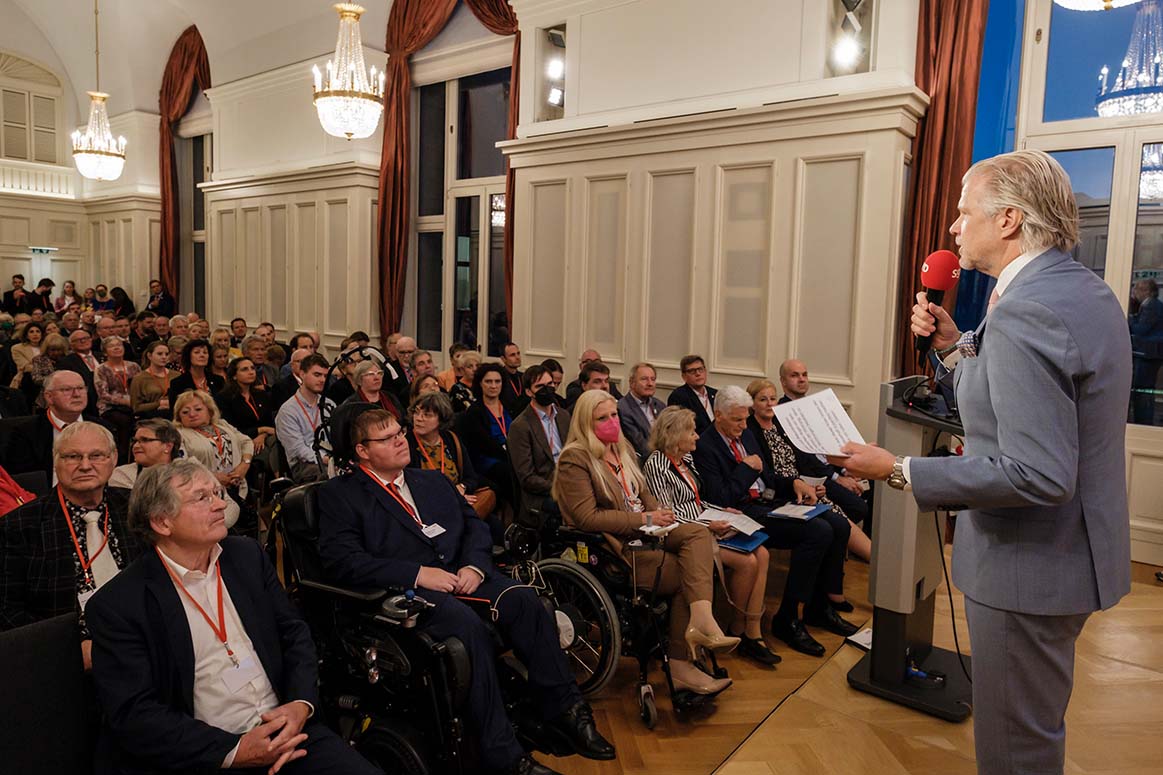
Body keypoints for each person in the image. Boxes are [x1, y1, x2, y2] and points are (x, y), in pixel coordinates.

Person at [837, 149, 1133, 775]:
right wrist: (952, 345)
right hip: (1071, 553)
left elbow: (1038, 473)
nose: (953, 226)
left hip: (1028, 565)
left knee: (1015, 752)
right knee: (1033, 731)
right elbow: (1014, 393)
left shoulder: (1027, 309)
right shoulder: (1080, 289)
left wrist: (898, 470)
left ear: (1007, 220)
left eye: (964, 210)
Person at [317, 409, 614, 775]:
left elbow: (475, 527)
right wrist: (417, 574)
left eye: (400, 432)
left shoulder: (432, 480)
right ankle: (505, 758)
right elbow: (344, 562)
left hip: (463, 575)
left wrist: (474, 566)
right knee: (466, 627)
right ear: (362, 451)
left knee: (525, 600)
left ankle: (566, 711)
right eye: (388, 438)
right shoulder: (340, 496)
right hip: (406, 593)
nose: (401, 441)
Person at [86, 460, 382, 775]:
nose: (220, 504)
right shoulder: (119, 604)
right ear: (162, 522)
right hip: (207, 756)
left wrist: (299, 705)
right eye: (202, 498)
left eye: (217, 493)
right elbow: (135, 714)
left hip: (289, 729)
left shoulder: (246, 556)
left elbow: (294, 633)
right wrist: (235, 751)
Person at [553, 389, 739, 695]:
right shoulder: (575, 459)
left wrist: (657, 513)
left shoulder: (621, 448)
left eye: (614, 415)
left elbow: (642, 492)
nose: (612, 422)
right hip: (617, 546)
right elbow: (587, 517)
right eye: (603, 418)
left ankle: (702, 620)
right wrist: (643, 519)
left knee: (698, 534)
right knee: (687, 573)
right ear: (586, 422)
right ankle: (680, 664)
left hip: (648, 531)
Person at [693, 385, 857, 657]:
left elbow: (768, 477)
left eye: (745, 418)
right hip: (743, 513)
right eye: (737, 419)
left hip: (768, 502)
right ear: (718, 415)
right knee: (817, 532)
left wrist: (794, 483)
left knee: (837, 525)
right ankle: (788, 618)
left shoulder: (745, 434)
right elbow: (721, 497)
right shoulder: (705, 446)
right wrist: (746, 469)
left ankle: (819, 606)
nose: (743, 425)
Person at [643, 406, 781, 665]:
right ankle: (735, 627)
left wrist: (721, 511)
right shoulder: (657, 464)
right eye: (691, 432)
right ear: (675, 435)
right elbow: (666, 513)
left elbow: (697, 500)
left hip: (704, 521)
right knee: (747, 561)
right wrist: (708, 524)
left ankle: (751, 630)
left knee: (762, 554)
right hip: (683, 532)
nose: (697, 436)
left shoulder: (686, 459)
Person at [0, 422, 143, 671]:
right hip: (64, 661)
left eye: (96, 455)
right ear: (56, 461)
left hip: (142, 641)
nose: (85, 465)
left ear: (113, 459)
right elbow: (6, 610)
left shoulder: (136, 508)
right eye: (73, 456)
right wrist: (68, 649)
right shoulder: (19, 526)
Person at [749, 378, 871, 566]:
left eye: (772, 399)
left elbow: (803, 459)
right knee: (832, 522)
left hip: (804, 483)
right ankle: (874, 560)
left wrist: (814, 482)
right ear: (752, 403)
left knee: (837, 515)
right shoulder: (751, 431)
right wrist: (800, 484)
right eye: (763, 399)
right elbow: (766, 474)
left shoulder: (780, 425)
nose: (769, 404)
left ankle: (869, 561)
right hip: (781, 491)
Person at [407, 390, 496, 520]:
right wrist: (452, 496)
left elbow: (471, 477)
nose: (419, 418)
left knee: (493, 524)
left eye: (427, 415)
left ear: (441, 419)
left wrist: (462, 487)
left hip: (458, 500)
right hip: (428, 508)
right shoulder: (406, 444)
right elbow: (412, 489)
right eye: (416, 412)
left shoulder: (451, 439)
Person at [0, 369, 99, 483]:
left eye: (80, 388)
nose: (76, 394)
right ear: (49, 397)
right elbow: (24, 481)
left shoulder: (102, 428)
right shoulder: (25, 433)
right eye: (67, 390)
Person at [174, 390, 253, 531]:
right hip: (208, 493)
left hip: (238, 485)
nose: (192, 414)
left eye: (198, 409)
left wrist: (244, 465)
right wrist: (213, 478)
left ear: (210, 411)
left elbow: (246, 441)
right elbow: (182, 464)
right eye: (185, 412)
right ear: (179, 417)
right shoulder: (179, 435)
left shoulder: (222, 424)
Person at [508, 366, 570, 522]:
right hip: (541, 494)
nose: (547, 390)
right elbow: (527, 477)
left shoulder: (563, 416)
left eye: (550, 384)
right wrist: (559, 487)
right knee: (577, 507)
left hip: (569, 479)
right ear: (529, 392)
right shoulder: (520, 427)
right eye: (540, 386)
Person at [458, 362, 514, 506]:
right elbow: (484, 444)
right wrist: (509, 455)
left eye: (497, 381)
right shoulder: (474, 412)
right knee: (508, 471)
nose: (493, 386)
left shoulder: (509, 406)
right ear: (480, 384)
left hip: (511, 453)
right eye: (488, 381)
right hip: (487, 459)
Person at [275, 353, 334, 482]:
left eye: (325, 376)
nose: (322, 380)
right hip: (304, 466)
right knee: (329, 476)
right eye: (317, 375)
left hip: (329, 459)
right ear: (302, 374)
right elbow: (298, 450)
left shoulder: (329, 404)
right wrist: (327, 460)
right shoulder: (288, 411)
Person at [217, 357, 277, 461]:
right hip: (240, 441)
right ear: (234, 376)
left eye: (252, 368)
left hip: (264, 438)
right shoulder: (224, 398)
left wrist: (263, 435)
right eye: (244, 369)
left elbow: (270, 423)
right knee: (266, 453)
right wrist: (262, 430)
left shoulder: (261, 394)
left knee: (279, 443)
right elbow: (230, 430)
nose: (251, 372)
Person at [95, 336, 141, 461]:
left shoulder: (134, 366)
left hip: (134, 405)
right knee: (125, 422)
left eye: (119, 345)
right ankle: (122, 457)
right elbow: (103, 394)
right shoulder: (101, 369)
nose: (116, 348)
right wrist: (124, 401)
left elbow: (141, 387)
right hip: (111, 408)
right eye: (112, 346)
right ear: (105, 352)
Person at [109, 418, 181, 489]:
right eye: (135, 441)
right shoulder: (123, 474)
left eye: (145, 440)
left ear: (168, 446)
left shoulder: (185, 472)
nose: (135, 446)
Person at [1129, 278, 1163, 424]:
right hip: (1149, 353)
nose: (1134, 293)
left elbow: (1141, 329)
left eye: (1136, 290)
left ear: (1146, 291)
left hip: (1147, 354)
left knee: (1143, 390)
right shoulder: (1151, 305)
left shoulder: (1151, 305)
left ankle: (1143, 422)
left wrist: (1129, 319)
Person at [618, 362, 666, 460]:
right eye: (644, 379)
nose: (650, 384)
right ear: (632, 383)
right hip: (644, 461)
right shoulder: (622, 409)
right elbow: (640, 445)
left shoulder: (660, 405)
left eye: (653, 379)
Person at [667, 354, 717, 433]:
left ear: (705, 371)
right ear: (684, 376)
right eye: (692, 371)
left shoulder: (715, 393)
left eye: (700, 369)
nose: (698, 374)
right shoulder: (678, 397)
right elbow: (680, 430)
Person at [167, 337, 224, 405]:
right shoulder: (178, 383)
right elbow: (175, 409)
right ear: (188, 356)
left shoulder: (218, 380)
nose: (202, 355)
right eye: (197, 352)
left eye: (205, 352)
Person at [130, 340, 173, 419]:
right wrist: (158, 404)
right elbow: (136, 407)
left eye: (166, 354)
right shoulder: (139, 379)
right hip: (151, 418)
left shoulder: (176, 375)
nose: (164, 357)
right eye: (159, 354)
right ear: (149, 356)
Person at [449, 348, 482, 413]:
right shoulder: (456, 389)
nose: (474, 369)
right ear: (462, 369)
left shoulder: (482, 385)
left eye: (477, 366)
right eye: (470, 366)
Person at [499, 342, 524, 411]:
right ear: (503, 359)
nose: (517, 357)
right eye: (512, 355)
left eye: (518, 353)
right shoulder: (499, 378)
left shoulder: (524, 377)